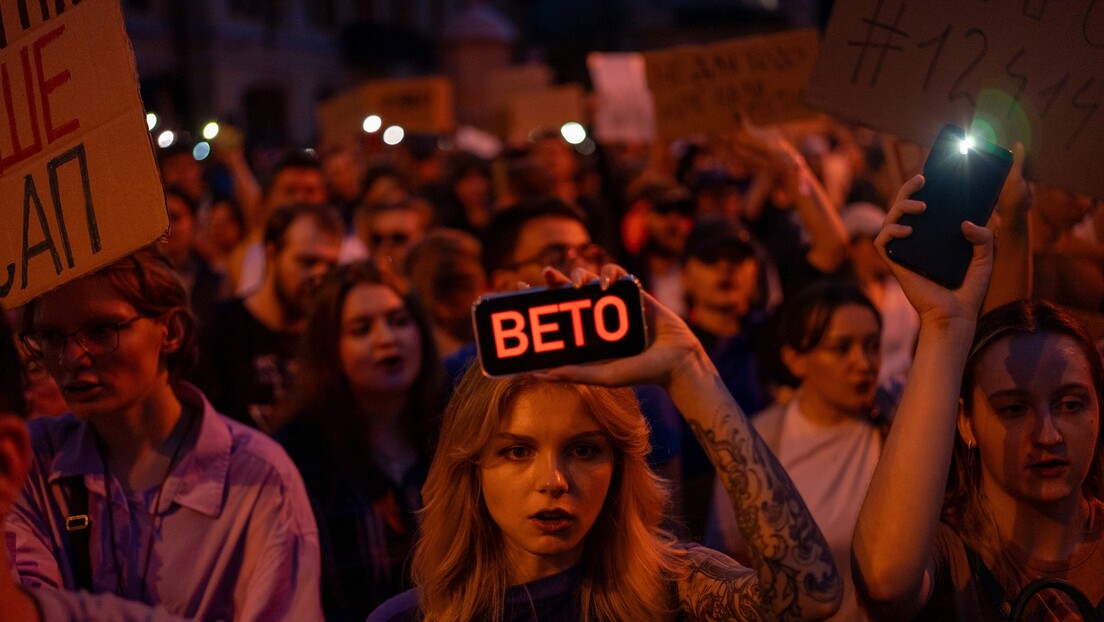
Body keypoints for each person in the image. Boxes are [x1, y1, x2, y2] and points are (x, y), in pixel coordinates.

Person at [368, 264, 843, 622]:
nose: (553, 482)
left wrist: (690, 373)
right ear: (471, 466)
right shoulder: (408, 618)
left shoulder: (676, 589)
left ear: (620, 464)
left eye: (584, 450)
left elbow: (810, 595)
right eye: (517, 451)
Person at [5, 248, 322, 620]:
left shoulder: (258, 479)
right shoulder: (34, 460)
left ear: (171, 331)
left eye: (102, 330)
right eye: (51, 337)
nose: (72, 356)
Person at [853, 174, 1104, 620]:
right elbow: (884, 581)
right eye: (1013, 408)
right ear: (964, 421)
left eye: (1070, 404)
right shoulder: (954, 559)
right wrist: (943, 326)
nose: (1047, 434)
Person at [277, 261, 446, 621]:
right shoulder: (302, 454)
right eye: (361, 329)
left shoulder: (456, 427)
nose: (387, 339)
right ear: (330, 348)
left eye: (400, 321)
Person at [708, 281, 886, 621]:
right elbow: (727, 560)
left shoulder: (896, 428)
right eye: (842, 348)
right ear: (795, 360)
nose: (864, 363)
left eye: (873, 345)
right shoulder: (756, 440)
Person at [194, 202, 343, 431]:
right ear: (271, 254)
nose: (320, 275)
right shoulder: (217, 329)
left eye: (330, 266)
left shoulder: (332, 334)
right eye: (308, 262)